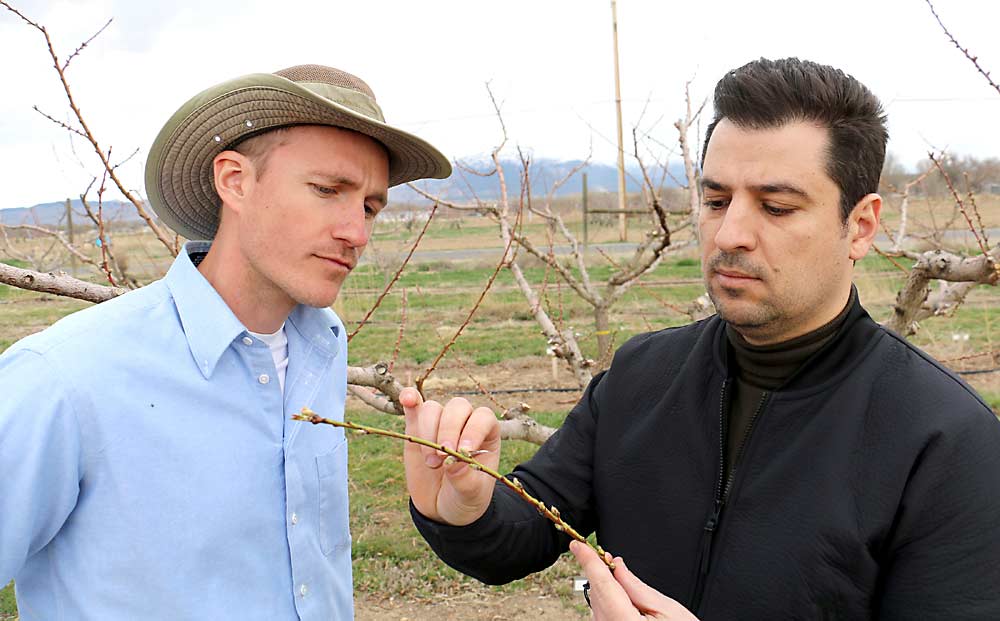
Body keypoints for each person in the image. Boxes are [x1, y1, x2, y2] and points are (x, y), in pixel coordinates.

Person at [401, 57, 1000, 620]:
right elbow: (526, 529)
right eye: (715, 200)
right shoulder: (643, 375)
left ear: (860, 225)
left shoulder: (946, 442)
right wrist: (465, 508)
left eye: (777, 206)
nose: (730, 232)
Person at [0, 64, 450, 620]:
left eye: (369, 206)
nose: (356, 232)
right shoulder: (63, 380)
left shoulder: (322, 350)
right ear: (234, 181)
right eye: (327, 190)